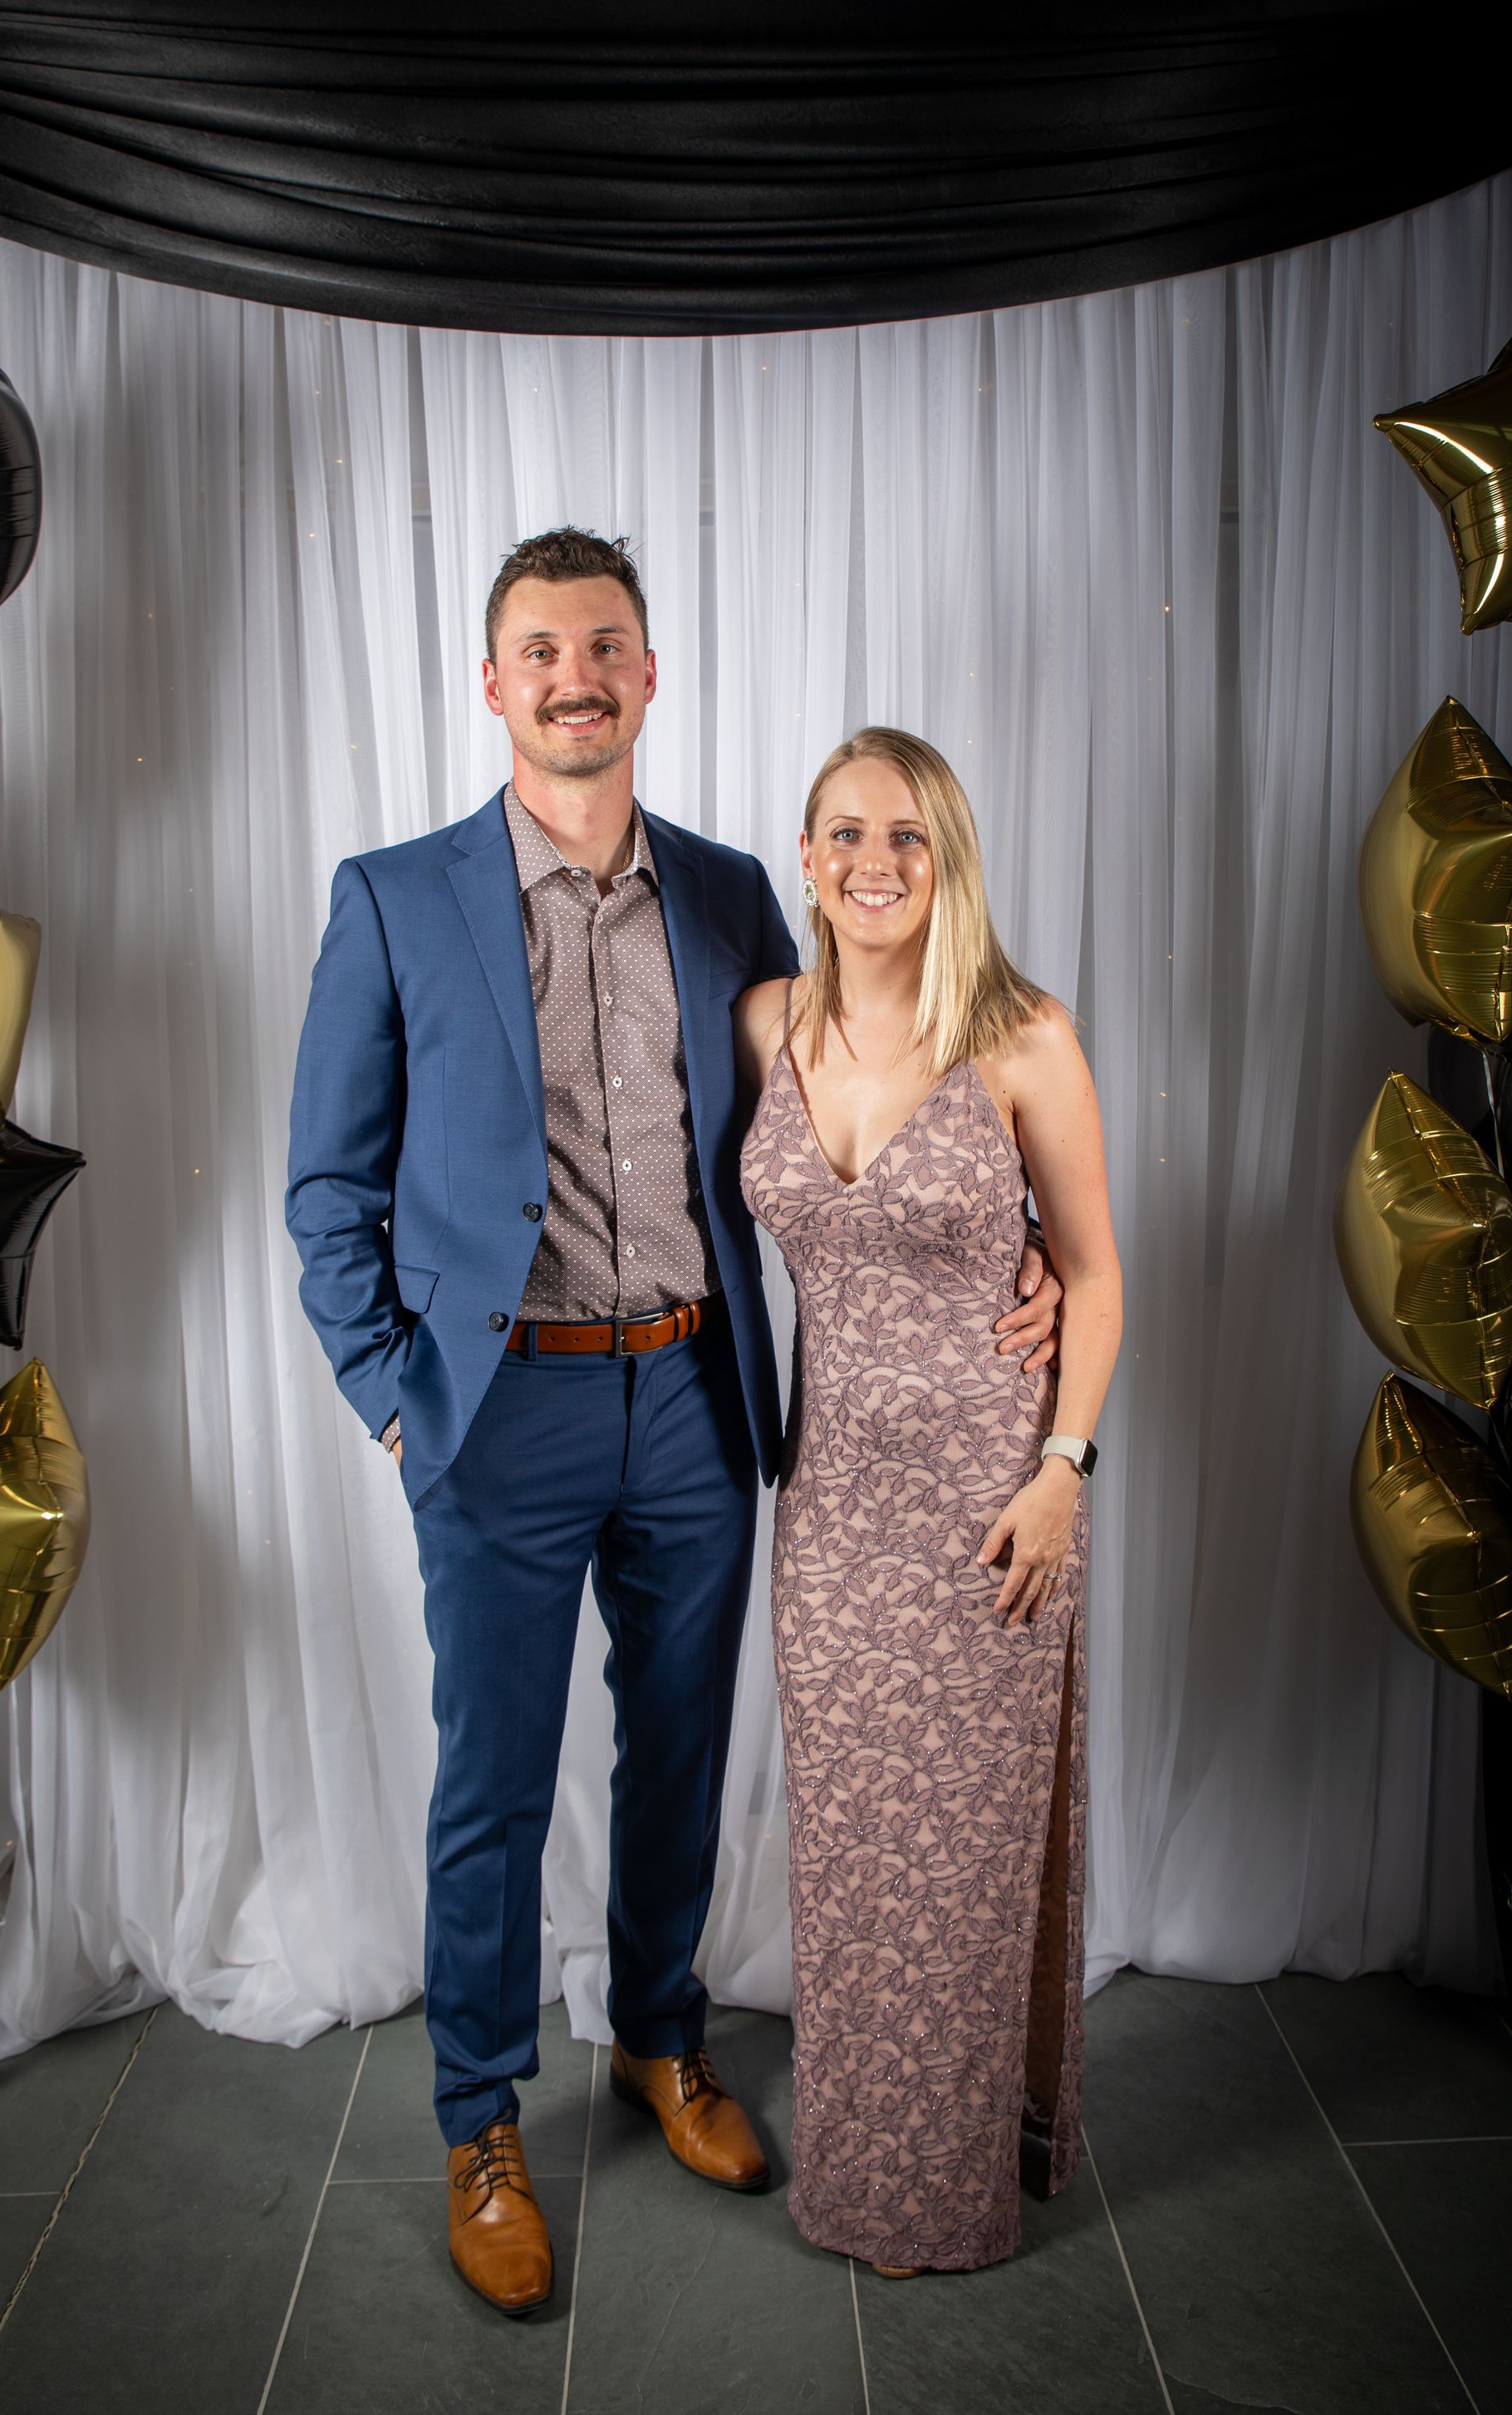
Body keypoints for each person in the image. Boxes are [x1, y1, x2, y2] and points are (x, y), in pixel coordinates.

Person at [287, 530, 1063, 2314]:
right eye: (542, 648)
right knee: (489, 1785)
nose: (577, 674)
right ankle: (481, 2114)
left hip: (701, 1403)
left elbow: (877, 1084)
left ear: (651, 677)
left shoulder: (732, 900)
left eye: (607, 645)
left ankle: (657, 2040)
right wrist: (398, 1405)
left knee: (682, 1757)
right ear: (496, 685)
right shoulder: (395, 898)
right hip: (496, 1416)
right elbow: (326, 1190)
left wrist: (1027, 1264)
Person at [735, 726, 1122, 2277]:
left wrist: (1062, 1472)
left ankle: (944, 2190)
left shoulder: (1023, 1036)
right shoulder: (769, 1018)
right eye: (842, 833)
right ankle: (858, 2165)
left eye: (907, 834)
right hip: (826, 1515)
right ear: (808, 855)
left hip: (988, 1513)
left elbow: (1094, 1280)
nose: (873, 861)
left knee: (956, 1866)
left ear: (948, 855)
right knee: (849, 1859)